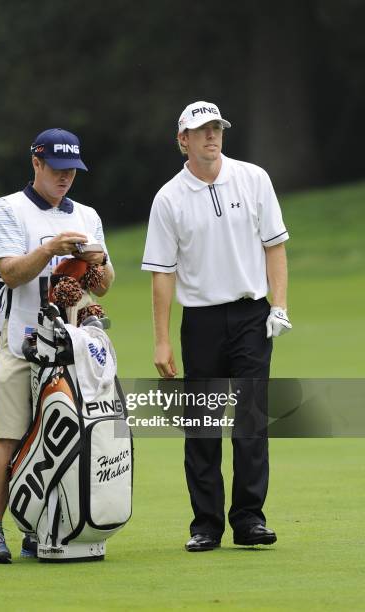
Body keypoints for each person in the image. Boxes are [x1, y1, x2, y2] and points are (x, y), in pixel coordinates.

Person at [142, 101, 292, 552]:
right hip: (201, 320)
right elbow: (162, 273)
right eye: (201, 130)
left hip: (251, 314)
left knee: (250, 422)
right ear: (182, 140)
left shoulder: (254, 178)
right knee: (202, 424)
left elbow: (275, 246)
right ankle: (205, 524)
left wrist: (278, 305)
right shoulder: (169, 198)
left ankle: (248, 519)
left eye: (216, 128)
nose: (211, 136)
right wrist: (163, 340)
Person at [0, 128, 114, 563]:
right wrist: (52, 249)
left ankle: (46, 525)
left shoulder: (88, 215)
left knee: (67, 440)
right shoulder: (8, 210)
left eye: (72, 171)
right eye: (57, 170)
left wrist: (98, 268)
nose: (65, 179)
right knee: (10, 436)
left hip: (73, 350)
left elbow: (106, 286)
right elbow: (11, 272)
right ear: (36, 163)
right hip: (22, 343)